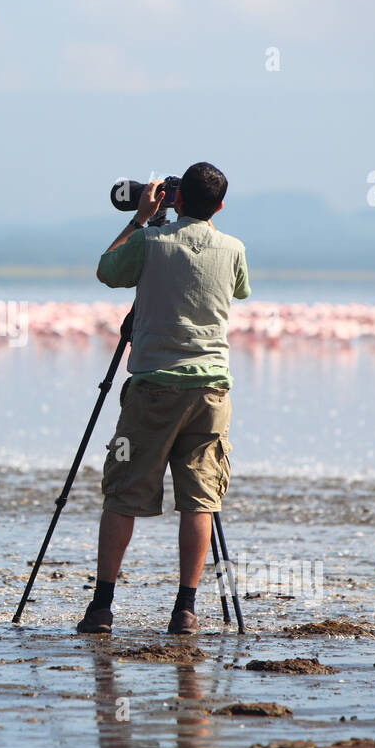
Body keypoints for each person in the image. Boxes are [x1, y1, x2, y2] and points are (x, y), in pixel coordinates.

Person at [76, 162, 250, 637]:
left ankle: (102, 607)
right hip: (211, 391)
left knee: (124, 493)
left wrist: (140, 219)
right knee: (199, 500)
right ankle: (185, 611)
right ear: (219, 204)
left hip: (153, 387)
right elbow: (239, 289)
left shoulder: (150, 242)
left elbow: (107, 271)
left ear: (174, 198)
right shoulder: (233, 248)